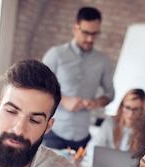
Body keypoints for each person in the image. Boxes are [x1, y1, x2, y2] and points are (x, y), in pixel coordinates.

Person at [42, 6, 115, 150]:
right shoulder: (55, 54)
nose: (90, 38)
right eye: (86, 32)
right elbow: (39, 88)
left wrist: (97, 102)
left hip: (83, 137)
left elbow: (110, 94)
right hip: (53, 132)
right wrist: (64, 100)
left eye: (94, 34)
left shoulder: (103, 61)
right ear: (75, 28)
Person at [89, 88, 145, 152]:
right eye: (127, 108)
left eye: (136, 110)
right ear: (122, 107)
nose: (131, 114)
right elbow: (93, 146)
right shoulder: (111, 122)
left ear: (143, 111)